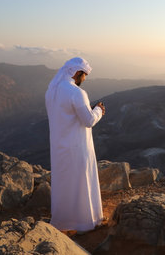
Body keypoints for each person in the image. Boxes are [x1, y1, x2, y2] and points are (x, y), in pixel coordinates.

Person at [45, 57, 106, 232]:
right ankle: (85, 222)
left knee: (63, 183)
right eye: (85, 75)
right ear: (78, 73)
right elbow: (88, 121)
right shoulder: (76, 92)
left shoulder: (52, 90)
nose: (84, 79)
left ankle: (63, 221)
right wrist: (98, 110)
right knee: (81, 182)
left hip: (58, 146)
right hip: (77, 146)